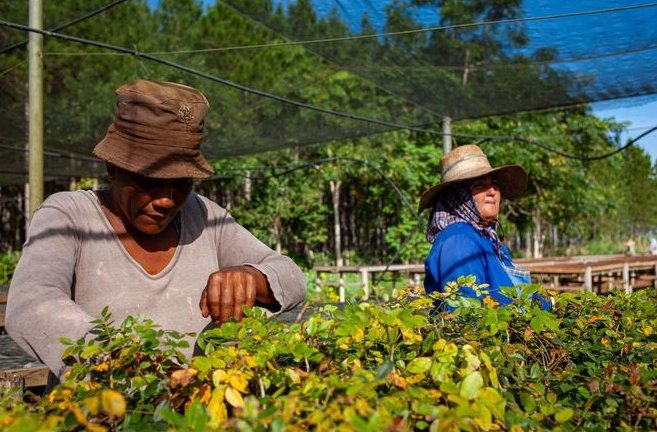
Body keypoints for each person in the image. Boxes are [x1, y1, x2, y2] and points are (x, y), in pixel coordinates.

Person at [6, 79, 307, 382]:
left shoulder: (203, 216)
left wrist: (251, 278)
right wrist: (121, 362)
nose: (166, 199)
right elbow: (33, 304)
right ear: (112, 167)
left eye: (181, 182)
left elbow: (292, 277)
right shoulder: (69, 215)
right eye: (149, 179)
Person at [418, 144, 550, 311]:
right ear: (459, 196)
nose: (492, 191)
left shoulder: (485, 236)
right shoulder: (459, 241)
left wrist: (547, 304)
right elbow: (466, 317)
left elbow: (507, 294)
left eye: (495, 184)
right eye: (480, 185)